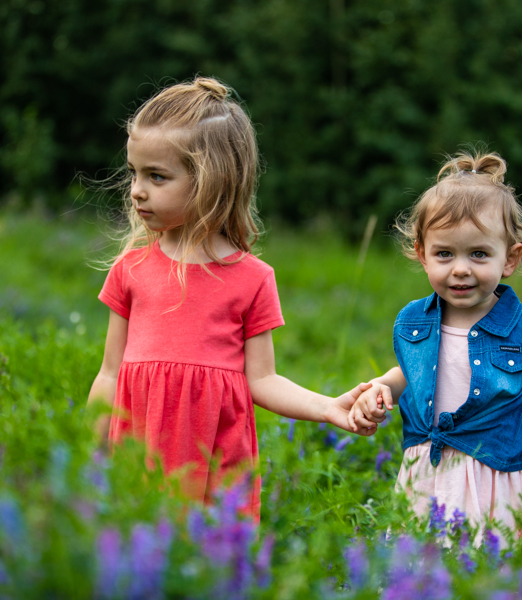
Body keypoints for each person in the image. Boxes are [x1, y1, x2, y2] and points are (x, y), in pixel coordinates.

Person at [87, 76, 372, 519]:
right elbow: (109, 374)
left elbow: (263, 380)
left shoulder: (252, 279)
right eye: (134, 172)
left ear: (210, 182)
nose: (137, 189)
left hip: (213, 465)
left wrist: (327, 407)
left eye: (156, 176)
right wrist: (89, 453)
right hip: (136, 455)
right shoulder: (132, 270)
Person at [347, 151, 522, 543]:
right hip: (424, 480)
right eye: (444, 254)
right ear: (422, 254)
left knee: (489, 578)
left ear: (510, 258)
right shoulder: (415, 321)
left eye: (478, 254)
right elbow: (415, 372)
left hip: (494, 485)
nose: (460, 268)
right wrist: (382, 386)